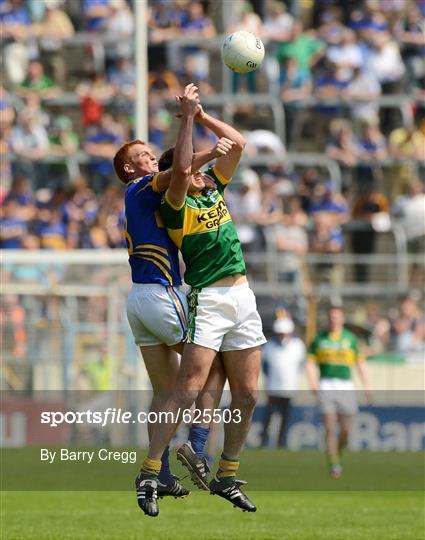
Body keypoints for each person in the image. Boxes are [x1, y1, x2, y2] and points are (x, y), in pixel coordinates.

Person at [136, 88, 266, 516]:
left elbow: (240, 143)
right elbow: (182, 170)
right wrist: (188, 121)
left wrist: (205, 116)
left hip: (242, 296)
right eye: (190, 169)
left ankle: (226, 474)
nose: (198, 173)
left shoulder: (213, 188)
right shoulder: (175, 205)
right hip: (208, 298)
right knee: (186, 389)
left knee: (247, 394)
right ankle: (151, 471)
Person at [113, 84, 230, 504]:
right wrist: (201, 137)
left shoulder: (147, 195)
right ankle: (198, 450)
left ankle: (156, 475)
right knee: (213, 368)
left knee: (165, 392)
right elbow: (180, 171)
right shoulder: (141, 187)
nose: (148, 158)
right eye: (141, 156)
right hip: (162, 295)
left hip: (140, 301)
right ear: (130, 170)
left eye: (148, 154)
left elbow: (181, 175)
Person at [306, 302, 372, 478]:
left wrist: (367, 386)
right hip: (326, 385)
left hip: (346, 386)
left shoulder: (350, 339)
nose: (333, 318)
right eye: (331, 315)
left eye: (336, 315)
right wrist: (312, 381)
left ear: (342, 318)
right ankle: (333, 463)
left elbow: (360, 363)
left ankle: (337, 453)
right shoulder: (319, 339)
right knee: (329, 426)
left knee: (346, 430)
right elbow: (311, 363)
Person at [261, 316, 305, 448]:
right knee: (268, 417)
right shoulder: (269, 345)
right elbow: (265, 366)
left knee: (285, 418)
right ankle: (263, 442)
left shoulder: (298, 345)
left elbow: (300, 365)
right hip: (272, 388)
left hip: (289, 389)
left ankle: (282, 443)